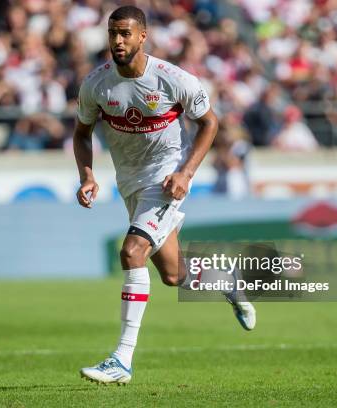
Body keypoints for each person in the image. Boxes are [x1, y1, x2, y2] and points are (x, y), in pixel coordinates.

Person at [73, 6, 256, 385]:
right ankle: (227, 282)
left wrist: (186, 173)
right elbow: (81, 132)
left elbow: (210, 123)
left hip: (165, 178)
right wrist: (87, 174)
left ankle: (122, 359)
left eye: (125, 33)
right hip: (130, 183)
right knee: (175, 275)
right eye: (113, 34)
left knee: (131, 252)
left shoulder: (173, 79)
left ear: (143, 36)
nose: (118, 41)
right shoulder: (96, 85)